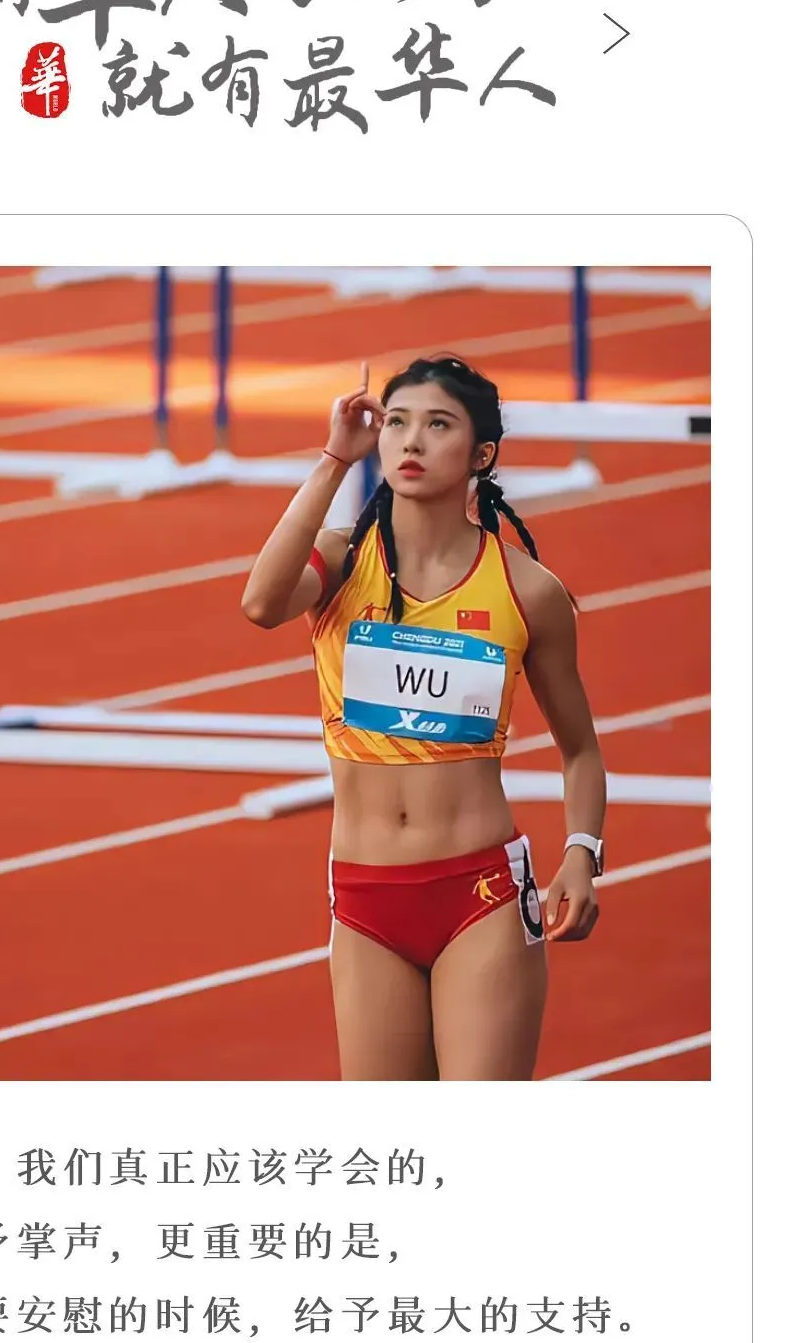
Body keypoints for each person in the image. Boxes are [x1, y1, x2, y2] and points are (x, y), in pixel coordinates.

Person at [241, 354, 606, 1081]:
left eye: (438, 425)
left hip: (480, 893)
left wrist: (581, 852)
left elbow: (581, 751)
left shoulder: (527, 590)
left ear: (481, 455)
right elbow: (260, 603)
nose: (411, 441)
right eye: (397, 422)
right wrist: (333, 461)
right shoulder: (341, 564)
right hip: (365, 896)